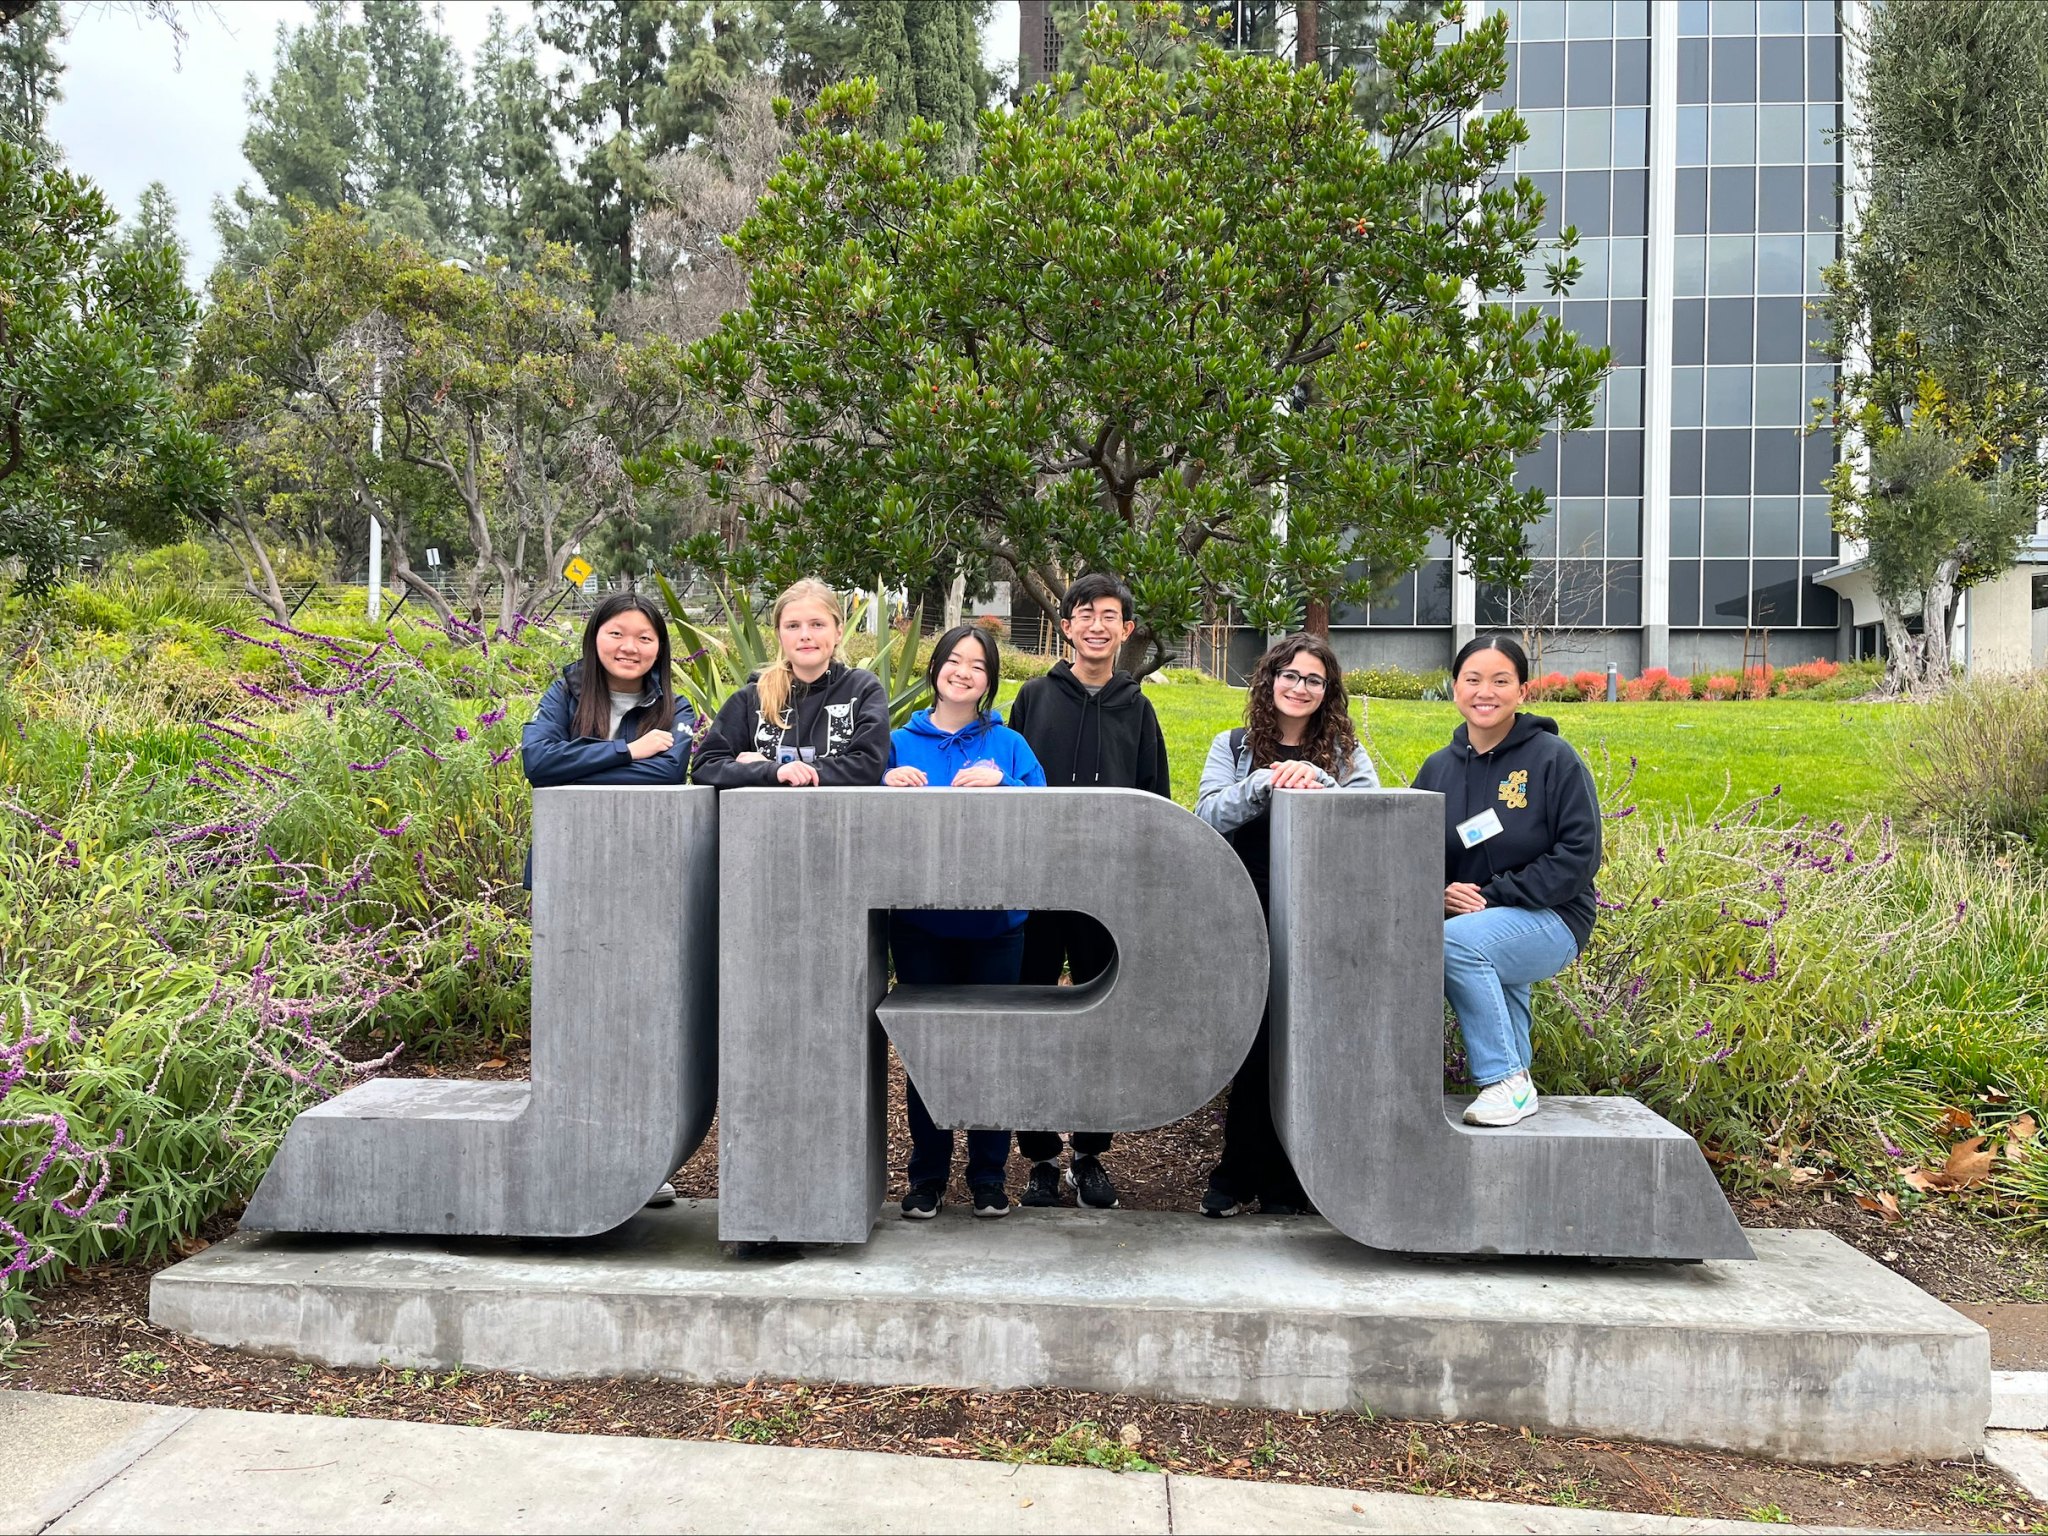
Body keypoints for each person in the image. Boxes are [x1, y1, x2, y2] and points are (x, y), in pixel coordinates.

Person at [520, 591, 698, 1208]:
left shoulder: (677, 705)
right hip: (568, 880)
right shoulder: (566, 693)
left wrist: (589, 764)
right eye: (618, 633)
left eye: (644, 638)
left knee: (637, 1021)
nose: (630, 647)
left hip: (644, 883)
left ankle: (637, 1161)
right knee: (572, 1021)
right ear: (597, 636)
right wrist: (628, 750)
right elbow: (537, 762)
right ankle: (573, 1156)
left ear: (660, 648)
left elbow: (668, 774)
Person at [1194, 633, 1379, 1217]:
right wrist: (1265, 783)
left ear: (1328, 693)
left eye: (1313, 680)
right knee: (1253, 1042)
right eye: (1290, 675)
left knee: (1303, 1042)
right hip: (1245, 912)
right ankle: (1238, 1170)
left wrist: (1317, 781)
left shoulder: (1347, 754)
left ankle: (1289, 1180)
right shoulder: (1233, 746)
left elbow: (1368, 819)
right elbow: (1206, 816)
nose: (1300, 688)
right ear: (1269, 679)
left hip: (1318, 917)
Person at [1005, 572, 1172, 1211]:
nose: (1097, 625)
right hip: (1040, 886)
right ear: (1066, 625)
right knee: (1035, 1018)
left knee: (1106, 1023)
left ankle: (1091, 1153)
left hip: (1110, 895)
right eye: (1084, 614)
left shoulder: (1138, 706)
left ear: (1126, 630)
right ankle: (1041, 1157)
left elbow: (1155, 796)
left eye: (1110, 616)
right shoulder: (1034, 699)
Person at [882, 624, 1047, 1221]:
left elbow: (1048, 810)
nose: (963, 672)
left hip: (997, 924)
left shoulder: (1008, 745)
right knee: (928, 1051)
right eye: (954, 660)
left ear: (990, 679)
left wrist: (1006, 783)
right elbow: (864, 816)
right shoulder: (899, 741)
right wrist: (885, 782)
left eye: (978, 665)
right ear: (935, 669)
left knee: (991, 1050)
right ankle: (925, 1178)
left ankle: (988, 1177)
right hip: (920, 923)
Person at [1411, 634, 1602, 1128]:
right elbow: (1410, 854)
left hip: (1553, 917)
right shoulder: (1438, 768)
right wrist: (1439, 893)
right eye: (1473, 680)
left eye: (1500, 680)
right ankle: (1519, 1086)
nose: (1485, 692)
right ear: (1455, 688)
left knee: (1455, 945)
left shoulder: (1553, 759)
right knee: (1475, 949)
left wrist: (1493, 897)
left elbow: (1580, 855)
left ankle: (1504, 1080)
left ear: (1522, 690)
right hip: (1477, 919)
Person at [691, 578, 890, 790]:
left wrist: (777, 768)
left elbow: (868, 765)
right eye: (793, 626)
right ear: (779, 634)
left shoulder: (862, 690)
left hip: (841, 819)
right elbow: (706, 766)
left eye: (817, 624)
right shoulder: (753, 697)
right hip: (766, 821)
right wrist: (773, 772)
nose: (805, 635)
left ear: (838, 632)